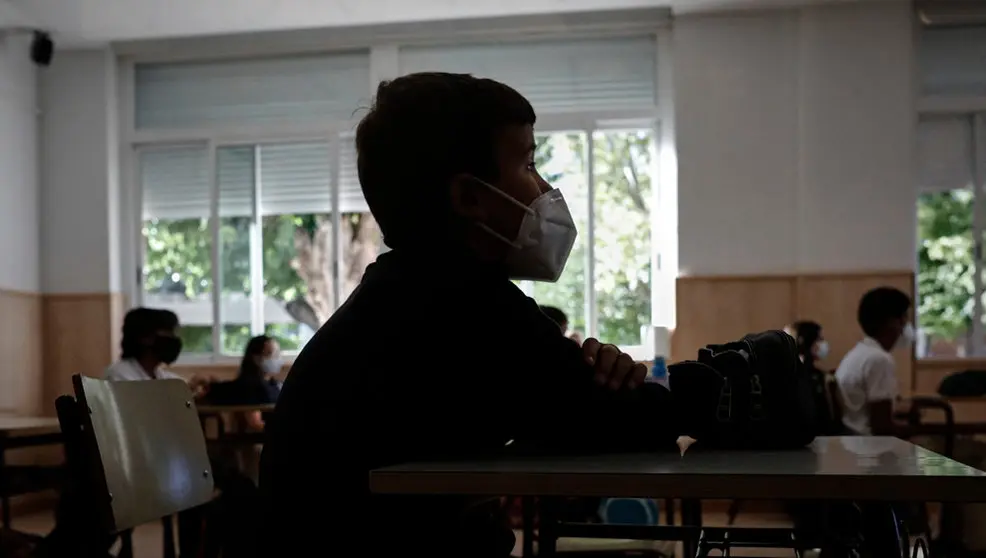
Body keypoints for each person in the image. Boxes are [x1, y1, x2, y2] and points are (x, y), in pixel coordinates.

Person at [259, 72, 678, 558]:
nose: (544, 189)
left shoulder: (406, 289)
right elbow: (635, 419)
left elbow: (576, 408)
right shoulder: (462, 303)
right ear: (469, 198)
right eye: (529, 164)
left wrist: (604, 387)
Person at [834, 287, 913, 435]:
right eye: (904, 319)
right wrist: (919, 430)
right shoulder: (879, 360)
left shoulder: (859, 353)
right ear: (891, 322)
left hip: (852, 438)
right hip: (869, 443)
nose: (906, 326)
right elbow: (882, 427)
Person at [104, 307, 184, 381]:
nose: (175, 339)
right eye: (170, 333)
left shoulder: (163, 376)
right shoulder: (119, 374)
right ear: (146, 338)